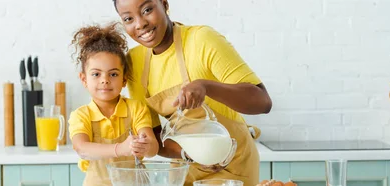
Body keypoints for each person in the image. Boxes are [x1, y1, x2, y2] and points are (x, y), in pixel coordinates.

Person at [112, 0, 273, 185]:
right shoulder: (135, 62)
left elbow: (262, 102)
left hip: (233, 165)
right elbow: (154, 135)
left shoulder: (202, 39)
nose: (140, 24)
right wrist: (189, 155)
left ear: (164, 4)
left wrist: (206, 87)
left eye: (147, 10)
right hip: (185, 167)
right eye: (128, 18)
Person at [68, 22, 160, 186]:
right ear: (84, 79)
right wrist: (120, 149)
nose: (105, 80)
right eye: (96, 74)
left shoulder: (136, 108)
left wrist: (146, 146)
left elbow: (153, 148)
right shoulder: (81, 116)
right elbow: (81, 148)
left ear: (124, 79)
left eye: (113, 74)